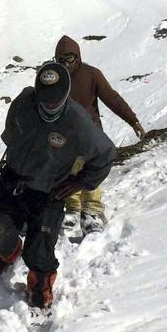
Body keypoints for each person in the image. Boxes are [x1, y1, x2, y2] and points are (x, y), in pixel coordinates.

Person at [0, 62, 115, 311]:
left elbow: (105, 154)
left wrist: (80, 181)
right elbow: (11, 137)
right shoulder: (23, 103)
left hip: (49, 193)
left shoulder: (77, 121)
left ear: (65, 95)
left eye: (55, 100)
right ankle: (9, 251)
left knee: (39, 252)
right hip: (13, 183)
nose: (48, 104)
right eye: (44, 98)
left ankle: (40, 284)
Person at [52, 35, 143, 232]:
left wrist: (132, 120)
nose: (66, 64)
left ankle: (91, 211)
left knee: (92, 170)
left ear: (78, 57)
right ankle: (73, 209)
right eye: (61, 60)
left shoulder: (91, 74)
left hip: (90, 135)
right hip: (64, 137)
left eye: (69, 59)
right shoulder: (54, 77)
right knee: (68, 171)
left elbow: (112, 98)